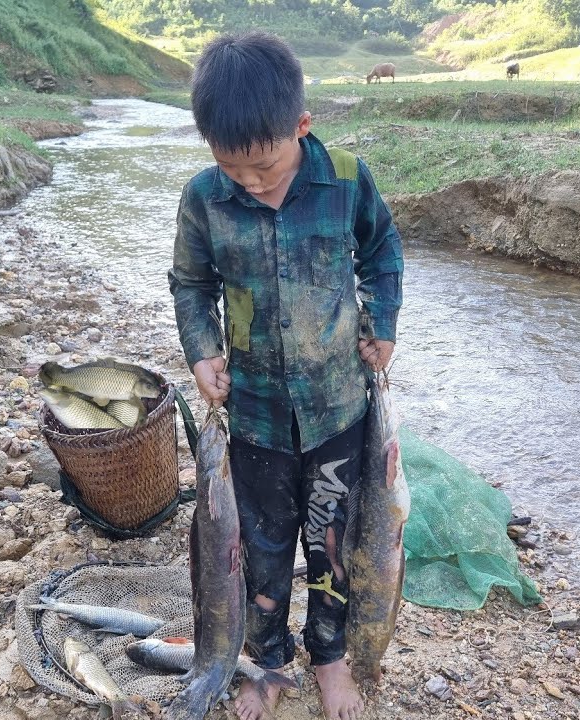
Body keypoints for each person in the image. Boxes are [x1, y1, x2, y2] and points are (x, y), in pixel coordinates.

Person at [168, 31, 403, 720]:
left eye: (264, 166)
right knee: (260, 547)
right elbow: (191, 284)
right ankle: (266, 660)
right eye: (231, 167)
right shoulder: (203, 198)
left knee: (335, 545)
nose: (249, 182)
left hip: (337, 410)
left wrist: (381, 321)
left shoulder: (348, 181)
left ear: (301, 126)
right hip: (257, 415)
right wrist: (202, 351)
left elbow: (382, 251)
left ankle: (329, 656)